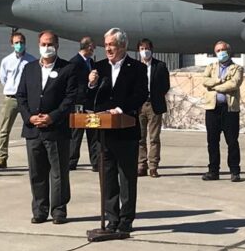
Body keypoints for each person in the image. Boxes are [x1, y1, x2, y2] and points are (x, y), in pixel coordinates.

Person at [87, 28, 148, 234]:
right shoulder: (99, 67)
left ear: (122, 46)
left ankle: (126, 219)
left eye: (111, 45)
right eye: (105, 45)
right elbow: (89, 98)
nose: (108, 49)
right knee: (107, 177)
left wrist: (120, 109)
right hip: (103, 133)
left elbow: (140, 94)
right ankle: (111, 218)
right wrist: (91, 84)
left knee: (127, 178)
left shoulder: (137, 68)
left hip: (126, 130)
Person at [16, 30, 78, 224]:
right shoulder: (30, 68)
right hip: (33, 130)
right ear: (38, 45)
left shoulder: (68, 69)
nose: (46, 47)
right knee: (37, 172)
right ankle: (40, 210)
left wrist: (52, 117)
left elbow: (70, 99)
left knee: (58, 172)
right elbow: (21, 96)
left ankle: (59, 210)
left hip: (56, 130)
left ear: (57, 46)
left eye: (50, 44)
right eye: (43, 44)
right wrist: (30, 117)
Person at [201, 41, 244, 182]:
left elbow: (234, 84)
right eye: (217, 50)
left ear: (228, 51)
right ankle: (213, 170)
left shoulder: (237, 68)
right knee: (212, 141)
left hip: (229, 109)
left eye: (222, 50)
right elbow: (205, 81)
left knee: (232, 141)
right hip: (212, 108)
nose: (220, 52)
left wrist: (216, 87)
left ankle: (235, 171)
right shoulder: (211, 67)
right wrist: (219, 80)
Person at [0, 31, 36, 169]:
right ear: (12, 44)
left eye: (21, 42)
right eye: (17, 42)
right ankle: (2, 158)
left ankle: (35, 158)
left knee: (32, 128)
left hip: (26, 99)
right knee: (4, 129)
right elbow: (3, 79)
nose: (19, 45)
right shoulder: (6, 61)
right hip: (11, 98)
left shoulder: (31, 60)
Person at [137, 38, 171, 178]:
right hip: (140, 105)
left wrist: (156, 95)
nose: (145, 51)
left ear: (151, 49)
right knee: (140, 138)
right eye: (142, 49)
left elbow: (165, 85)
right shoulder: (135, 67)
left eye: (147, 48)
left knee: (154, 138)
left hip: (154, 105)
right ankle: (141, 165)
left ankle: (153, 166)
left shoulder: (160, 66)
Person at [68, 36, 100, 171]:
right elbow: (74, 85)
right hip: (79, 105)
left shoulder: (91, 62)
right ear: (88, 47)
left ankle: (96, 162)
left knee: (94, 135)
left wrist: (92, 84)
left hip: (91, 105)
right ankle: (71, 161)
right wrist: (88, 82)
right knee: (76, 134)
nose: (94, 49)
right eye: (93, 46)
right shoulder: (74, 63)